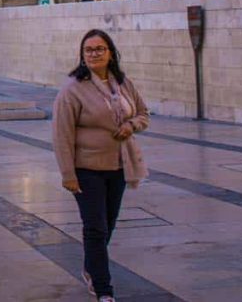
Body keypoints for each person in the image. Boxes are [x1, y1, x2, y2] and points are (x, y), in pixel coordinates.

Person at [53, 29, 149, 302]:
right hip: (86, 168)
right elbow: (62, 134)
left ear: (110, 53)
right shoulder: (73, 89)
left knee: (108, 223)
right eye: (89, 50)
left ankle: (91, 267)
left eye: (99, 49)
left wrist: (131, 125)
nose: (94, 54)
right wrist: (67, 174)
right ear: (82, 55)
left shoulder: (122, 83)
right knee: (95, 227)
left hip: (118, 166)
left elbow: (143, 113)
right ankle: (103, 289)